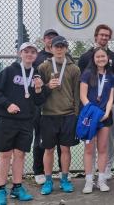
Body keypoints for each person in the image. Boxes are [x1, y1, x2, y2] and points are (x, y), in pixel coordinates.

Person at [0, 42, 45, 205]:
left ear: (36, 55)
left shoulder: (37, 75)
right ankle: (0, 190)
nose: (29, 54)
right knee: (5, 155)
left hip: (26, 121)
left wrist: (38, 89)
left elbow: (39, 101)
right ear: (19, 53)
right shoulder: (8, 71)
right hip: (7, 120)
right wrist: (7, 104)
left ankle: (17, 187)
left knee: (20, 155)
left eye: (33, 52)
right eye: (26, 51)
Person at [38, 36, 81, 195]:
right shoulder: (44, 67)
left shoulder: (74, 68)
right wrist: (48, 86)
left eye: (62, 46)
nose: (59, 49)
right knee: (48, 150)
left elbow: (76, 94)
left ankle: (64, 179)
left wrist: (75, 114)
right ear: (51, 47)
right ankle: (48, 181)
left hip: (68, 115)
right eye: (57, 46)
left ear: (66, 48)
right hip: (48, 115)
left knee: (65, 149)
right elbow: (39, 92)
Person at [78, 24, 114, 179]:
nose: (104, 37)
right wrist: (90, 108)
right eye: (101, 35)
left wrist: (108, 109)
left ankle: (107, 167)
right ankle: (91, 172)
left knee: (107, 139)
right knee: (90, 144)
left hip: (108, 106)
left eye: (107, 35)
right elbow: (83, 84)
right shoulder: (84, 57)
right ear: (96, 36)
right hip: (90, 108)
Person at [32, 29, 71, 185]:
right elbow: (36, 87)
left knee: (63, 144)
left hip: (64, 110)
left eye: (54, 38)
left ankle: (63, 172)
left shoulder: (68, 62)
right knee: (41, 142)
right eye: (48, 38)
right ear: (45, 40)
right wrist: (45, 87)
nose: (51, 41)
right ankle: (39, 171)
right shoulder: (39, 60)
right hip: (43, 108)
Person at [80, 47, 114, 193]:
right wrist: (93, 113)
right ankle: (89, 181)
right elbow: (83, 96)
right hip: (90, 116)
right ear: (93, 59)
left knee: (102, 149)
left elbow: (110, 98)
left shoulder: (112, 76)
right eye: (98, 57)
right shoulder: (87, 74)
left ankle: (101, 180)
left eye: (103, 56)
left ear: (107, 58)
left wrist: (106, 113)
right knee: (89, 149)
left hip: (104, 117)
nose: (101, 59)